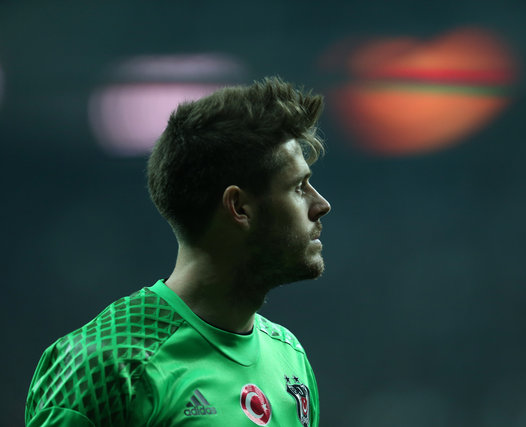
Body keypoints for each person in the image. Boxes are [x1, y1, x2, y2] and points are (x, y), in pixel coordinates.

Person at [25, 76, 331, 426]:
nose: (321, 205)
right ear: (239, 207)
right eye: (298, 187)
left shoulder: (289, 357)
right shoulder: (104, 366)